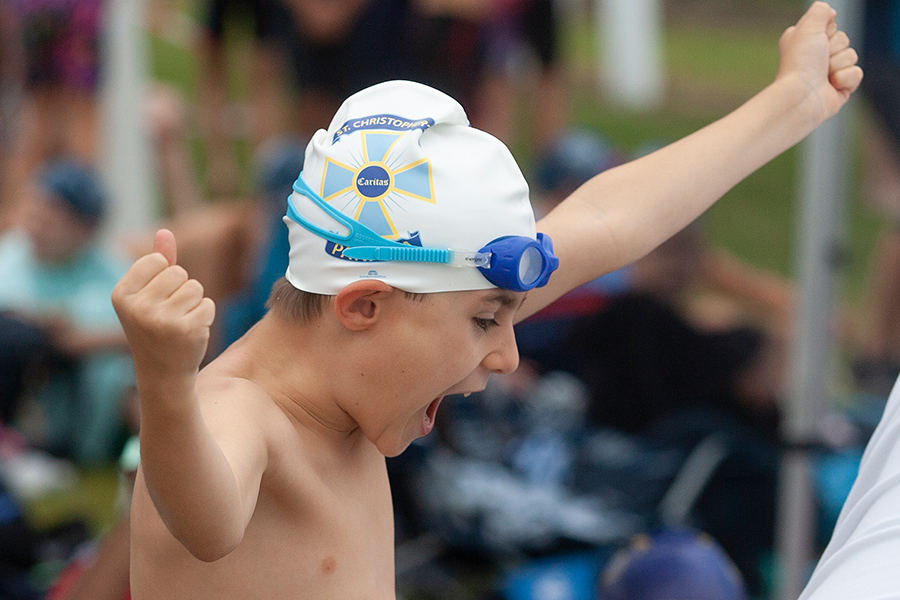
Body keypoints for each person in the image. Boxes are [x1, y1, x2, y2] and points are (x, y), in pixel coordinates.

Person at [112, 4, 861, 598]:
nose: (505, 355)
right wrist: (167, 382)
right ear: (363, 307)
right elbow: (205, 518)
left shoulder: (395, 333)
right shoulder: (239, 413)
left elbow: (607, 222)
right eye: (486, 321)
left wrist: (789, 107)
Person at [0, 159, 134, 465]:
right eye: (31, 215)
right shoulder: (11, 254)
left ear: (85, 229)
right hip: (26, 390)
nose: (34, 228)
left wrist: (68, 336)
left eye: (48, 221)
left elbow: (136, 335)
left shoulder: (111, 270)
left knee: (126, 378)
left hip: (89, 399)